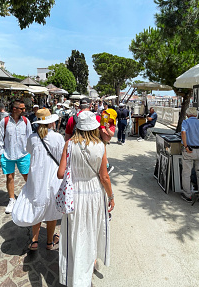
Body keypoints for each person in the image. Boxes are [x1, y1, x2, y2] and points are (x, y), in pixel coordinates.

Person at [57, 111, 114, 286]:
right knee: (91, 231)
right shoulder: (100, 146)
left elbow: (60, 174)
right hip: (94, 194)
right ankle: (89, 265)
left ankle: (73, 271)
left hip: (74, 194)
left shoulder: (69, 144)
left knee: (74, 232)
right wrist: (111, 196)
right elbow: (104, 177)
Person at [11, 109, 64, 250]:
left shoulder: (32, 138)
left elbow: (29, 151)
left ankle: (34, 240)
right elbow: (61, 158)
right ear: (51, 122)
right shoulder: (58, 137)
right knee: (52, 208)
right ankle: (49, 242)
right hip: (52, 176)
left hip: (36, 177)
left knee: (37, 204)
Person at [0, 100, 32, 214]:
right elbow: (0, 138)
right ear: (14, 109)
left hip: (23, 154)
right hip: (8, 153)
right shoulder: (4, 122)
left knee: (27, 177)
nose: (24, 110)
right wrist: (0, 154)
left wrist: (32, 153)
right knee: (10, 177)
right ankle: (12, 200)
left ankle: (31, 196)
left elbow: (30, 138)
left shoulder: (26, 121)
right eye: (21, 108)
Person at [180, 107, 199, 202]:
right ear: (196, 115)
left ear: (187, 115)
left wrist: (186, 146)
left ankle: (187, 195)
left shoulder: (186, 122)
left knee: (186, 173)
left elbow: (183, 132)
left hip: (190, 150)